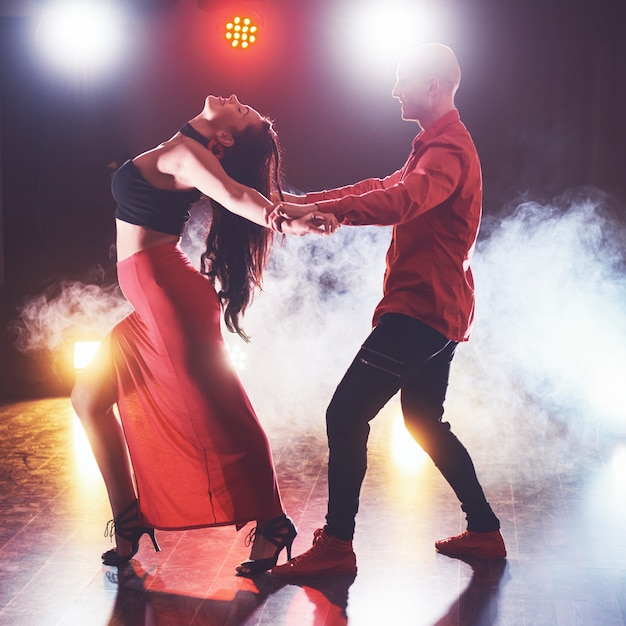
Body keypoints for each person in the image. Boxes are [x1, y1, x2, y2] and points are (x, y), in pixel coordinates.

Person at [71, 94, 338, 577]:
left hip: (170, 301)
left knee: (224, 413)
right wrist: (284, 212)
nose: (236, 99)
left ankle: (274, 522)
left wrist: (283, 219)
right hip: (155, 301)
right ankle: (129, 519)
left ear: (226, 137)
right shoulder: (182, 150)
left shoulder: (188, 157)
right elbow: (243, 194)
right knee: (87, 399)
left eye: (244, 111)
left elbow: (239, 197)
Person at [268, 44, 506, 578]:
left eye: (404, 80)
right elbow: (381, 187)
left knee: (345, 414)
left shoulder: (449, 152)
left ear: (436, 86)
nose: (395, 90)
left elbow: (403, 201)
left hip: (422, 312)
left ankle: (337, 545)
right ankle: (486, 530)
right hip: (436, 311)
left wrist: (327, 212)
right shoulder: (435, 145)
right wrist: (311, 205)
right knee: (424, 422)